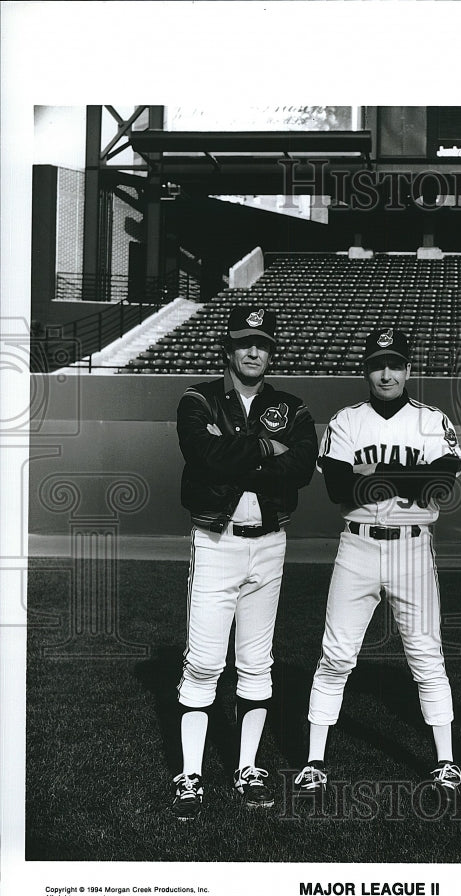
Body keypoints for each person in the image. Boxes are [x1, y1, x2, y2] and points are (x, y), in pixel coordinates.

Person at [294, 328, 461, 796]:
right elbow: (336, 488)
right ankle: (314, 760)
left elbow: (441, 485)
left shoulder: (431, 420)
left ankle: (446, 761)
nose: (386, 372)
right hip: (358, 548)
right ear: (366, 369)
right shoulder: (346, 421)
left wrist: (372, 475)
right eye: (377, 364)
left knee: (427, 655)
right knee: (336, 654)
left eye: (394, 363)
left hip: (413, 546)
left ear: (408, 369)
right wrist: (408, 477)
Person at [171, 305, 318, 820]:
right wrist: (265, 449)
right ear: (227, 348)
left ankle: (247, 768)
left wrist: (236, 447)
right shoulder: (199, 398)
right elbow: (202, 455)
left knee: (256, 663)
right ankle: (189, 774)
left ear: (271, 350)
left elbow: (300, 468)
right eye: (244, 342)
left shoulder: (292, 406)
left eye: (263, 343)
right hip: (216, 541)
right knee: (206, 661)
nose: (254, 351)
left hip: (270, 541)